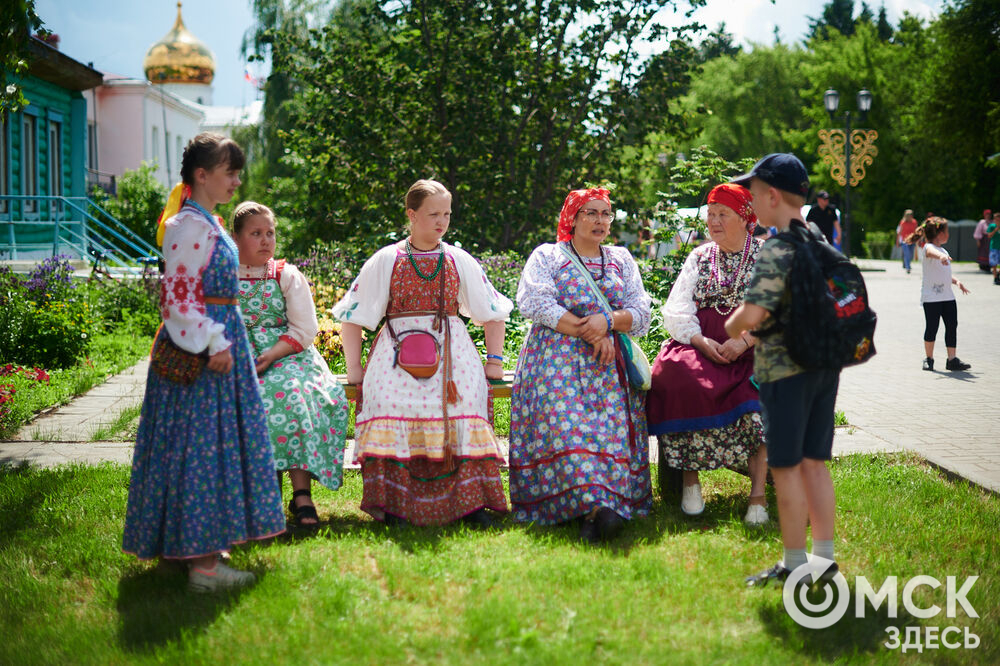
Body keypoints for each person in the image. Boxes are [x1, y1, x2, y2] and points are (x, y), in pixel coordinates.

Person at [122, 133, 285, 592]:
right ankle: (204, 569)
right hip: (203, 354)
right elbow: (176, 300)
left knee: (211, 448)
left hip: (218, 341)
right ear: (201, 174)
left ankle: (199, 546)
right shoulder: (188, 227)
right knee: (201, 451)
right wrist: (213, 343)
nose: (236, 180)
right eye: (228, 172)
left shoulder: (203, 221)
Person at [332, 179, 511, 527]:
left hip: (451, 352)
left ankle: (469, 505)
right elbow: (351, 316)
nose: (442, 221)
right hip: (398, 350)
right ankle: (399, 505)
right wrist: (355, 369)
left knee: (464, 402)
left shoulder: (458, 258)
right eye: (433, 214)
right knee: (390, 401)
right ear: (412, 215)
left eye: (446, 213)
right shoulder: (387, 258)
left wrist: (494, 362)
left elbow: (492, 312)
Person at [509, 187, 653, 542]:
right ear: (572, 219)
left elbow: (642, 312)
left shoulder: (621, 258)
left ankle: (602, 506)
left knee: (608, 430)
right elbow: (534, 302)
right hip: (556, 361)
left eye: (606, 214)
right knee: (565, 424)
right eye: (591, 213)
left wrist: (609, 322)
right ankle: (582, 506)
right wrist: (591, 331)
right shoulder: (548, 256)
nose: (600, 221)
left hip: (608, 367)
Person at [725, 153, 841, 587]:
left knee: (787, 467)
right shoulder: (819, 240)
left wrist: (731, 323)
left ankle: (794, 564)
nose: (752, 204)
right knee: (816, 463)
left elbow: (752, 315)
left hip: (784, 372)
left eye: (753, 195)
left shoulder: (777, 246)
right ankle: (825, 560)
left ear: (772, 195)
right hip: (824, 368)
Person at [647, 183, 768, 525]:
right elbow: (677, 309)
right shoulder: (699, 257)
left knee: (763, 392)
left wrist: (744, 342)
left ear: (746, 219)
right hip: (702, 343)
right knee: (673, 375)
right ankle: (690, 482)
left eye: (722, 214)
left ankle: (757, 496)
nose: (713, 222)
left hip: (753, 347)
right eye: (710, 215)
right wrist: (700, 342)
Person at [233, 201, 350, 527]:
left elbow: (304, 329)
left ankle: (302, 494)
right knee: (249, 401)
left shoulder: (285, 275)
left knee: (294, 396)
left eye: (270, 233)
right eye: (256, 233)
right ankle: (262, 494)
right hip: (238, 355)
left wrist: (271, 354)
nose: (266, 240)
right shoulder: (224, 275)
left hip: (288, 353)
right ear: (237, 238)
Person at [906, 217, 971, 371]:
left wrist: (956, 282)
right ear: (939, 234)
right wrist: (941, 257)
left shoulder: (944, 250)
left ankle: (952, 360)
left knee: (951, 326)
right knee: (932, 327)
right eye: (946, 231)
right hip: (932, 298)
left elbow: (944, 274)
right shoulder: (928, 248)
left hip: (947, 296)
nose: (948, 234)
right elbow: (932, 252)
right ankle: (929, 359)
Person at [896, 209, 919, 274]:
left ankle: (907, 264)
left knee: (911, 255)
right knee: (907, 254)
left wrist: (917, 239)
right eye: (908, 215)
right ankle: (908, 267)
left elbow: (916, 231)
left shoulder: (914, 222)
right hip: (904, 241)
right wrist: (897, 241)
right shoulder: (902, 222)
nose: (909, 217)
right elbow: (899, 232)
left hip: (912, 241)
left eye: (910, 215)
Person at [989, 212, 1000, 286]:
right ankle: (995, 278)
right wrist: (996, 229)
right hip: (994, 247)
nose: (996, 220)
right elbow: (989, 236)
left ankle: (998, 274)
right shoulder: (992, 226)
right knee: (994, 264)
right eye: (995, 219)